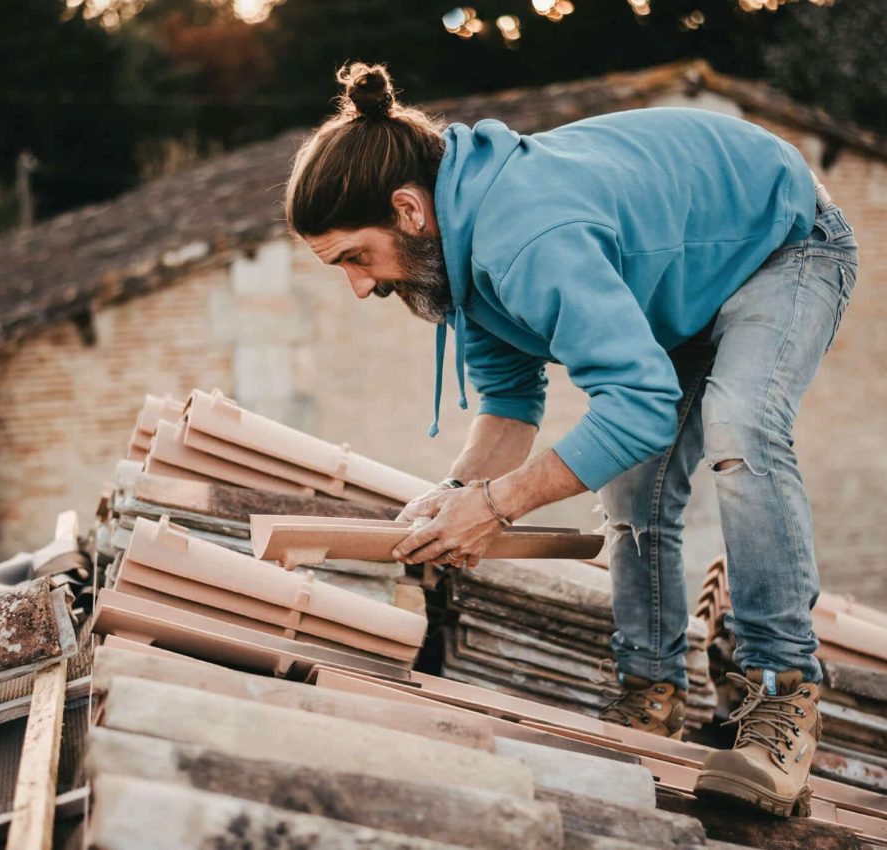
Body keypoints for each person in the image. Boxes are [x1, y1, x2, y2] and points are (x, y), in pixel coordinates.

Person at [284, 61, 858, 817]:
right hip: (686, 284)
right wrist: (453, 499)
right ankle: (651, 692)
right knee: (630, 485)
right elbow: (510, 408)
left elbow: (640, 406)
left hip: (783, 241)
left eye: (356, 257)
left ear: (408, 209)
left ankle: (782, 694)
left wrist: (497, 507)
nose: (360, 286)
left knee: (740, 426)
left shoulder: (526, 237)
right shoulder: (460, 264)